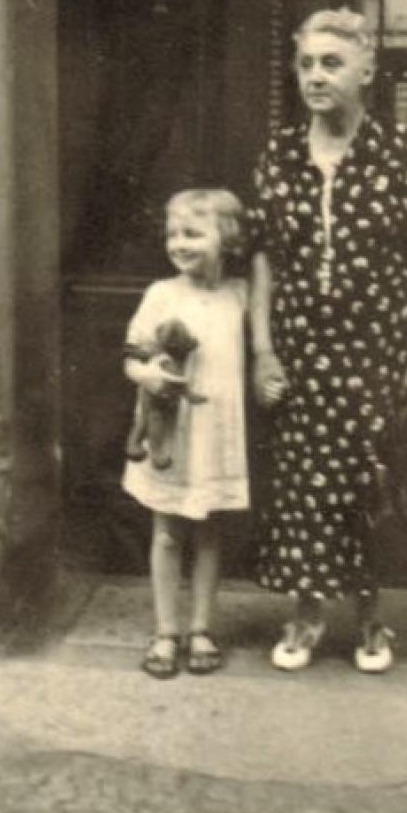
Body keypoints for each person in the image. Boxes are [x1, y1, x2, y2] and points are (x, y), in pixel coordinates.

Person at [246, 7, 407, 673]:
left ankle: (368, 616)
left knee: (369, 481)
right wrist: (264, 350)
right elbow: (264, 262)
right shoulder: (279, 155)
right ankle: (306, 613)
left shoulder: (403, 156)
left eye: (331, 63)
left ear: (367, 68)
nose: (316, 76)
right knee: (302, 480)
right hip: (301, 351)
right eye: (306, 63)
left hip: (374, 353)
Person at [122, 188, 248, 678]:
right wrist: (148, 376)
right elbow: (132, 356)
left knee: (209, 530)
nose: (180, 243)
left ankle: (201, 628)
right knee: (167, 531)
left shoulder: (239, 295)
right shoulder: (161, 294)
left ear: (227, 238)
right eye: (173, 234)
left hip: (215, 430)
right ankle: (165, 631)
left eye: (193, 233)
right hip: (173, 430)